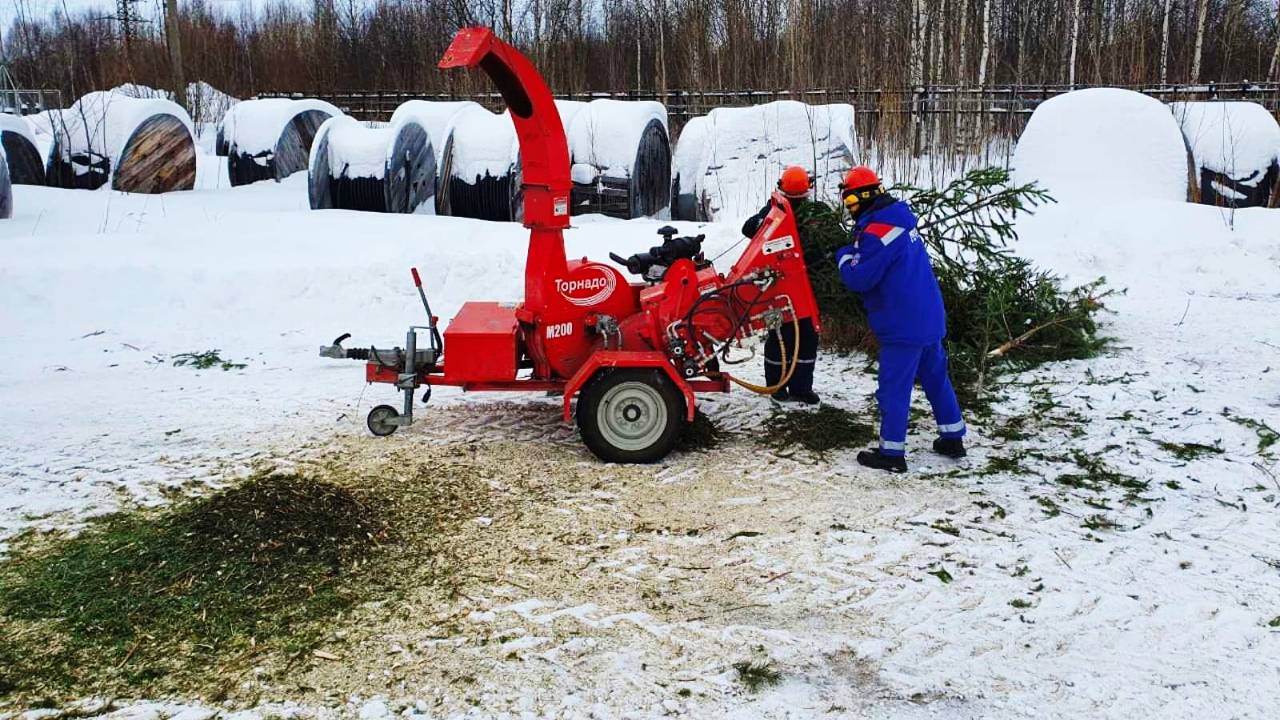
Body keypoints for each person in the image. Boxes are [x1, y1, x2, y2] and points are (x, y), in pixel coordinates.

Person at [834, 166, 966, 472]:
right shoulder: (897, 219)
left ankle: (892, 454)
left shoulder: (878, 232)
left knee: (894, 388)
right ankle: (952, 437)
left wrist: (842, 255)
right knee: (936, 378)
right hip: (929, 315)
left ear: (866, 197)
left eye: (852, 204)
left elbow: (859, 278)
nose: (851, 211)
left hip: (902, 324)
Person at [741, 165, 820, 405]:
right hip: (793, 289)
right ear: (808, 190)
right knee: (804, 337)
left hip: (785, 289)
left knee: (781, 337)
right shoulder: (805, 213)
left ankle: (778, 387)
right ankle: (799, 388)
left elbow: (748, 228)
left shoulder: (774, 211)